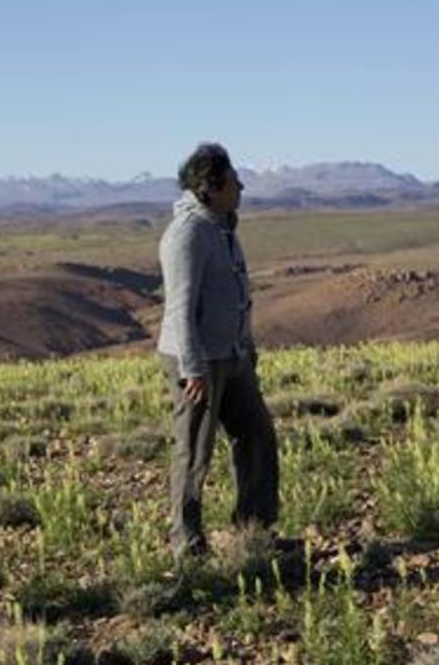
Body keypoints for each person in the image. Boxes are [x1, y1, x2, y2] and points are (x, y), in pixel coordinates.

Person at [157, 142, 280, 562]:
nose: (241, 186)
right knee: (194, 453)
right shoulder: (187, 234)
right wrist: (192, 370)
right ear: (212, 187)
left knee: (257, 436)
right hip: (199, 361)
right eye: (234, 180)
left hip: (232, 354)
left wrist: (245, 345)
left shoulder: (222, 226)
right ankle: (186, 544)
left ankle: (255, 530)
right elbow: (180, 308)